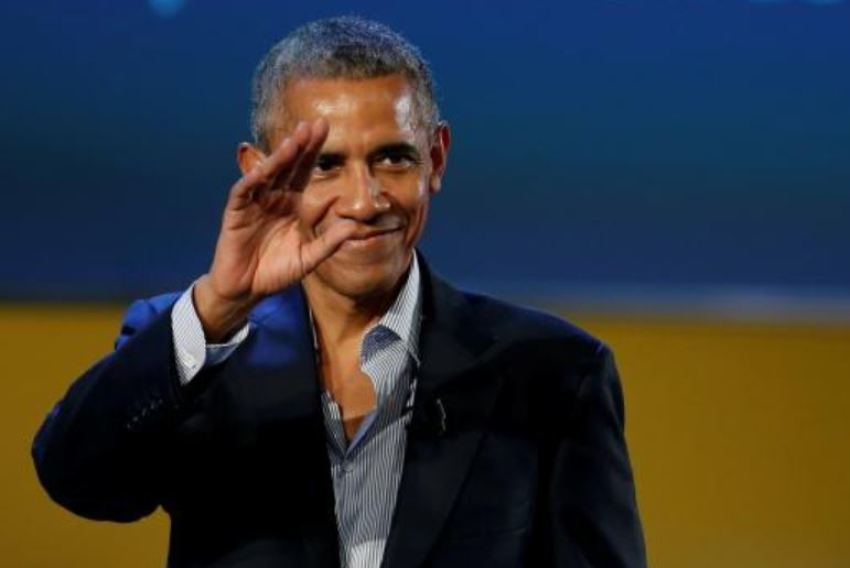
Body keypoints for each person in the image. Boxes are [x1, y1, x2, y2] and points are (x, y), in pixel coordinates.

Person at [32, 16, 646, 568]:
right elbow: (77, 479)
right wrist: (217, 308)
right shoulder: (193, 346)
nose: (364, 201)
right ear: (259, 171)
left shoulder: (555, 374)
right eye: (324, 165)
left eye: (393, 159)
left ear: (436, 157)